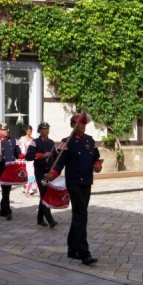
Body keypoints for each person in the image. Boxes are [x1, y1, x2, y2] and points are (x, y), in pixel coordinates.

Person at [46, 113, 102, 266]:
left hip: (87, 183)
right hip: (74, 183)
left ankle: (72, 248)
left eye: (84, 123)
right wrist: (53, 174)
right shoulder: (65, 143)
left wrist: (98, 166)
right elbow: (59, 164)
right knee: (81, 215)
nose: (82, 125)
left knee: (78, 215)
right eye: (79, 123)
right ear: (72, 125)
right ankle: (84, 253)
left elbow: (96, 158)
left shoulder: (91, 141)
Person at [26, 121, 57, 228]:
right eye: (44, 129)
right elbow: (29, 156)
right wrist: (42, 155)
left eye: (47, 128)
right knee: (44, 194)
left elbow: (56, 156)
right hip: (40, 172)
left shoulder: (52, 143)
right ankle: (50, 220)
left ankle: (40, 218)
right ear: (39, 130)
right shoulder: (35, 142)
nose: (46, 130)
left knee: (46, 194)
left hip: (49, 173)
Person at [0, 122, 23, 221]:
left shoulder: (12, 140)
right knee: (5, 188)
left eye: (7, 129)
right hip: (2, 167)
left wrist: (23, 155)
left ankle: (3, 209)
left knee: (7, 189)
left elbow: (17, 153)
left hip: (11, 167)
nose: (6, 131)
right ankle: (7, 211)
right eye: (4, 129)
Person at [19, 125, 36, 197]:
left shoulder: (33, 140)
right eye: (29, 131)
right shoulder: (22, 139)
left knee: (31, 173)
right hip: (24, 158)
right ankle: (26, 186)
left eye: (31, 131)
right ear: (26, 131)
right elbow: (20, 147)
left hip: (31, 158)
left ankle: (29, 187)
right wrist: (23, 153)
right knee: (26, 173)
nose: (30, 132)